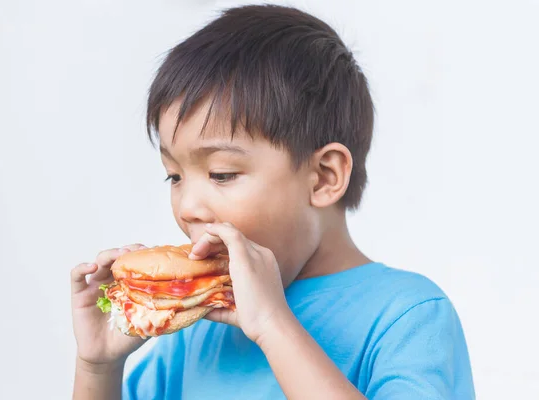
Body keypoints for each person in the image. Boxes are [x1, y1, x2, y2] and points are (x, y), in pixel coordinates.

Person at [70, 4, 475, 399]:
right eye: (174, 176)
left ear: (324, 177)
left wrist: (272, 325)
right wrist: (97, 368)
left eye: (222, 174)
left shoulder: (409, 317)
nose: (187, 206)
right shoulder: (198, 326)